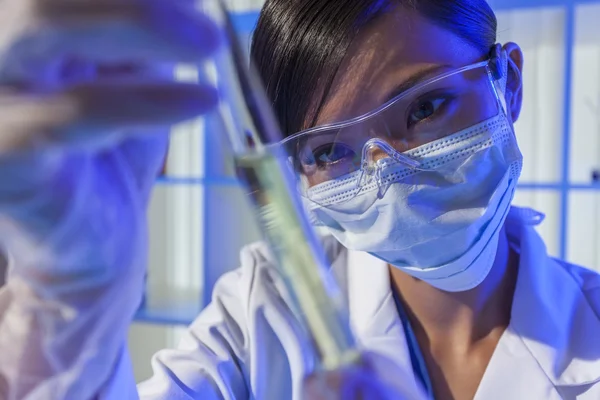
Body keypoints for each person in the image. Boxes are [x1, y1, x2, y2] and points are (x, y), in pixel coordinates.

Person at [0, 0, 599, 399]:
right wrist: (73, 309)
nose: (384, 169)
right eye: (328, 150)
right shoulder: (259, 316)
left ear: (507, 82)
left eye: (423, 107)